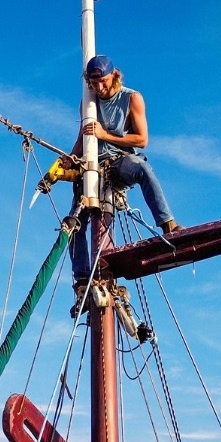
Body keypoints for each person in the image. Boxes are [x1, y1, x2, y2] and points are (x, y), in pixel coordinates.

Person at [67, 55, 180, 302]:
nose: (99, 87)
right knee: (74, 224)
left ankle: (168, 223)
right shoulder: (88, 102)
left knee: (142, 168)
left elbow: (142, 140)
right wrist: (69, 159)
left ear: (114, 76)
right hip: (91, 166)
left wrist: (104, 134)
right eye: (93, 82)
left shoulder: (131, 98)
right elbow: (81, 137)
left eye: (103, 81)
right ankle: (83, 279)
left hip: (119, 162)